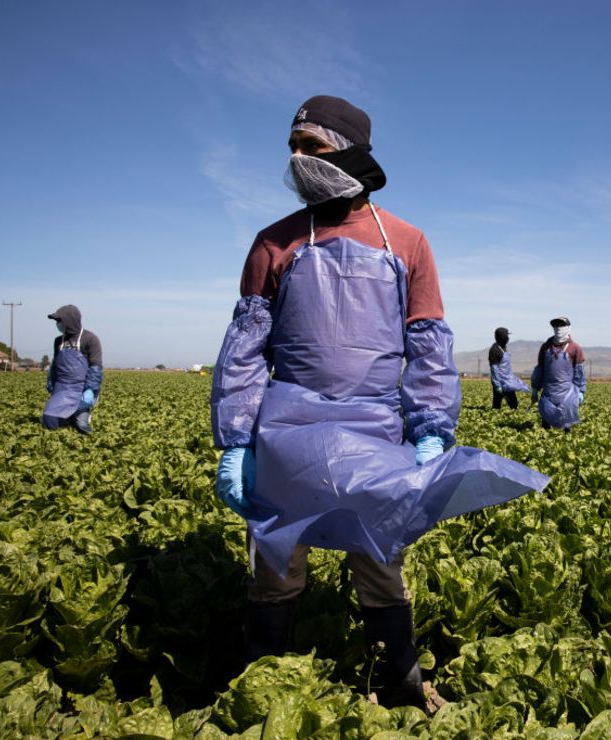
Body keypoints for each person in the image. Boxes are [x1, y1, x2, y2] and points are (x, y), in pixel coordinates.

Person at [209, 95, 548, 711]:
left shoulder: (408, 243)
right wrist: (237, 441)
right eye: (292, 147)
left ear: (349, 150)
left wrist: (430, 428)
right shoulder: (273, 243)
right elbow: (244, 349)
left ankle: (400, 680)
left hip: (373, 428)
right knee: (276, 562)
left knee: (380, 556)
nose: (297, 159)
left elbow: (427, 347)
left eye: (311, 147)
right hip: (287, 429)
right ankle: (265, 688)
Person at [42, 305, 102, 433]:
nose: (58, 324)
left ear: (70, 320)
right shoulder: (58, 341)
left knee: (82, 426)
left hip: (82, 389)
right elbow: (55, 365)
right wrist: (51, 383)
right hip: (62, 389)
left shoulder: (90, 338)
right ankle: (68, 417)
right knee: (49, 420)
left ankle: (81, 414)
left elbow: (95, 367)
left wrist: (90, 390)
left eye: (59, 321)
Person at [530, 317, 586, 430]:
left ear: (568, 328)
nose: (558, 328)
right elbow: (539, 369)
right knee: (545, 423)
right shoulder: (546, 347)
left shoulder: (575, 348)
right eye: (556, 326)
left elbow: (579, 372)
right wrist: (535, 388)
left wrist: (580, 391)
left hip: (567, 394)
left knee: (566, 426)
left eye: (562, 325)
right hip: (548, 393)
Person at [489, 327, 529, 409]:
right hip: (501, 382)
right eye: (507, 335)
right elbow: (494, 369)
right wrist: (497, 385)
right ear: (502, 336)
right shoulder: (495, 350)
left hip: (507, 380)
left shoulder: (502, 348)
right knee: (512, 404)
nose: (508, 338)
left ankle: (497, 413)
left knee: (498, 403)